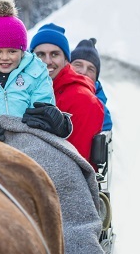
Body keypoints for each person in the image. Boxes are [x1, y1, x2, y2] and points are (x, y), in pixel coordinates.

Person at [0, 0, 69, 141]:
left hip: (29, 137)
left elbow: (42, 105)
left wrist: (47, 119)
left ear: (22, 52)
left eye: (12, 51)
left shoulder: (36, 73)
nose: (5, 58)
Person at [30, 24, 104, 167]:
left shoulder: (83, 100)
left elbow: (76, 162)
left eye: (54, 54)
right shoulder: (24, 89)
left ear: (66, 60)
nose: (47, 61)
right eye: (40, 54)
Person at [69, 38, 113, 132]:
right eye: (78, 65)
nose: (84, 72)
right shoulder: (51, 93)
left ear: (96, 78)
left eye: (91, 69)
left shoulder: (102, 112)